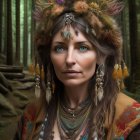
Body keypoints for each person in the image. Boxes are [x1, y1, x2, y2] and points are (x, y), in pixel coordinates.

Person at [12, 0, 140, 140]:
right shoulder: (32, 113)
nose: (69, 59)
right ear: (49, 55)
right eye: (59, 48)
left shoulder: (130, 118)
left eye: (82, 47)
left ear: (101, 55)